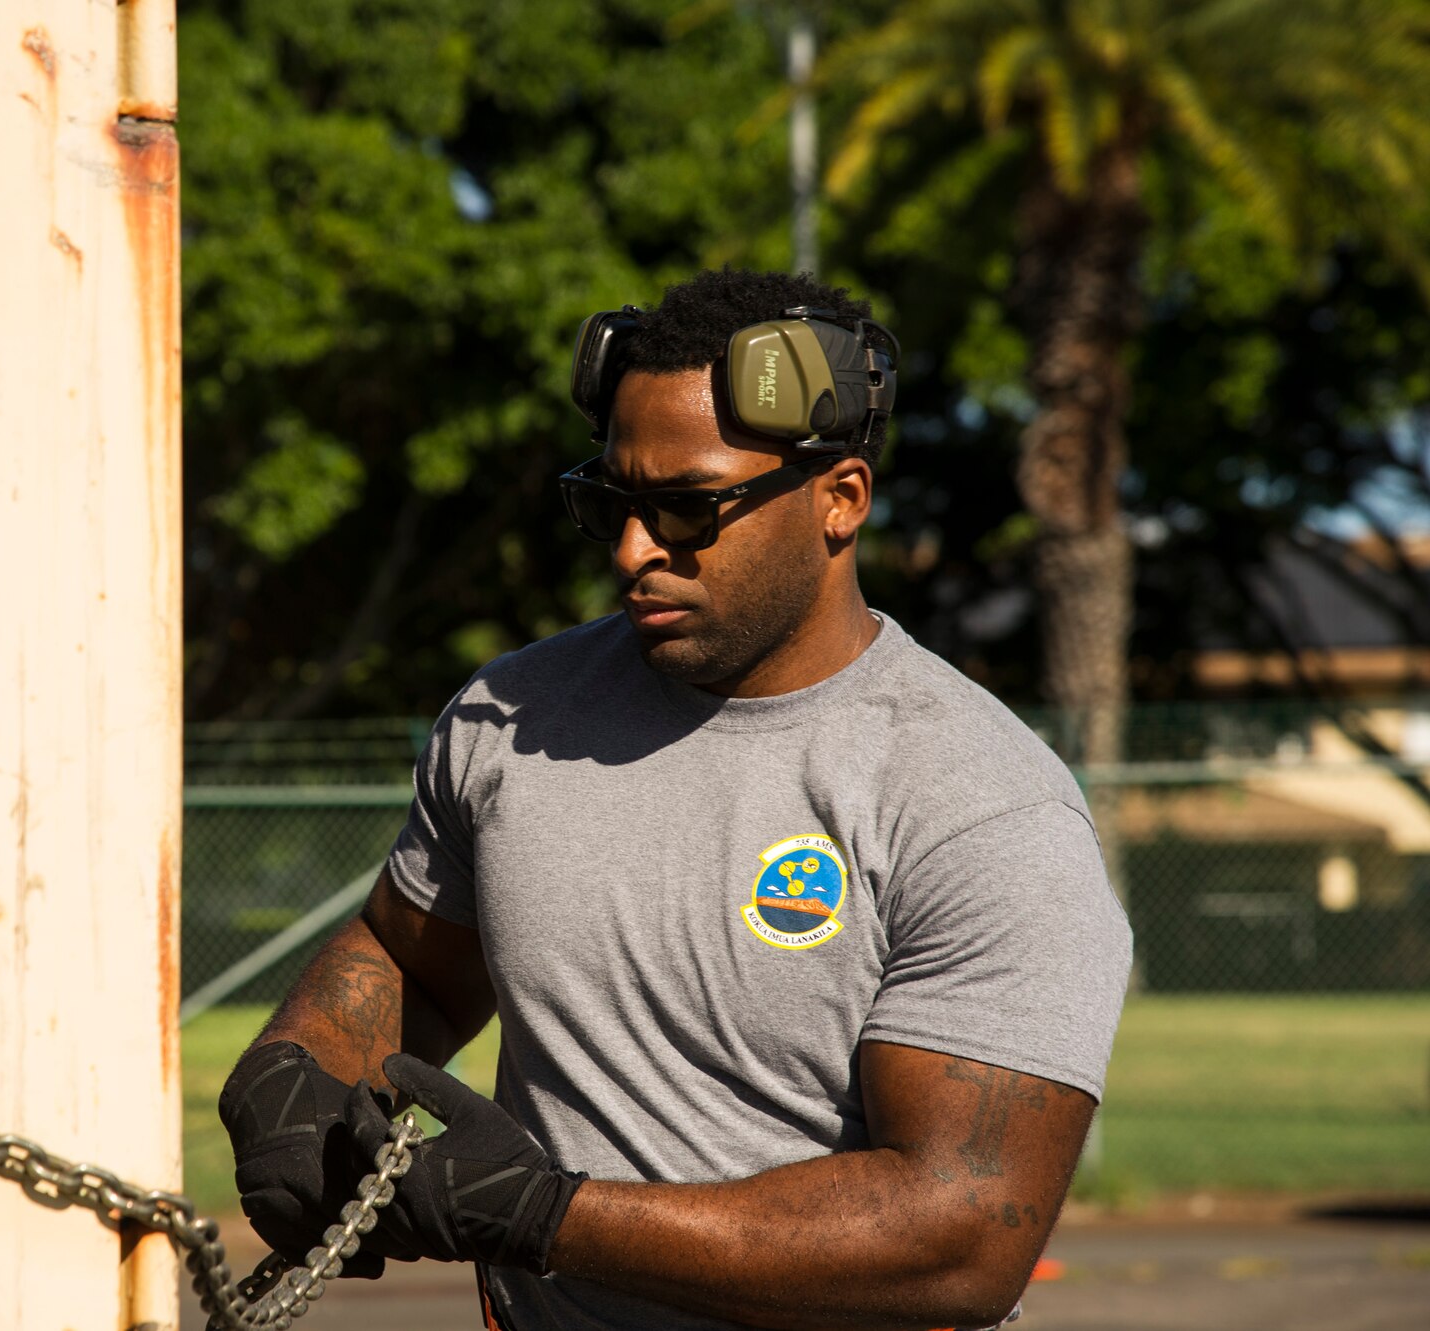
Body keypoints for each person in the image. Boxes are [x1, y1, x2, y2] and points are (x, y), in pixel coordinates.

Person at [218, 267, 1133, 1331]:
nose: (631, 551)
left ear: (838, 501)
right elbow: (410, 953)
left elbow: (957, 1238)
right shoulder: (511, 716)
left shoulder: (975, 802)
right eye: (612, 500)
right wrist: (298, 1065)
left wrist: (546, 1215)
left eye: (687, 509)